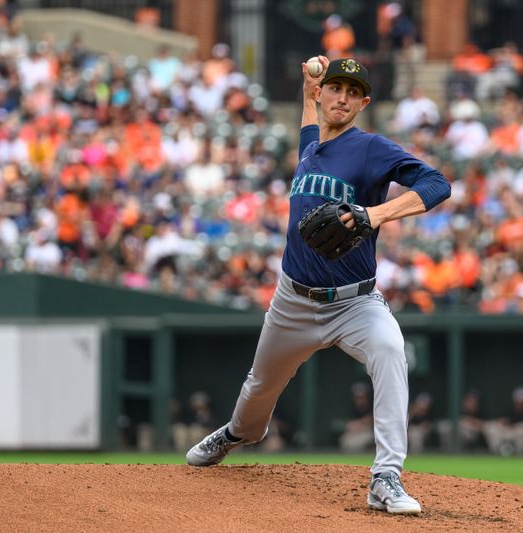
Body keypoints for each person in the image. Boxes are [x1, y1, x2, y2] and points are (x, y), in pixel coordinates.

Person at [185, 56, 451, 516]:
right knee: (258, 388)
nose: (342, 97)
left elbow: (437, 183)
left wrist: (375, 214)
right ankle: (236, 434)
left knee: (391, 353)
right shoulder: (310, 145)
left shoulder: (370, 148)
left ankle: (386, 476)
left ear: (363, 102)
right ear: (323, 94)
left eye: (353, 92)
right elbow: (310, 119)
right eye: (335, 88)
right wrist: (308, 88)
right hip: (293, 300)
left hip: (356, 302)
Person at [483, 386, 523, 456]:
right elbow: (503, 421)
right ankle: (498, 450)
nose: (521, 402)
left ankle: (520, 453)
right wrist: (506, 426)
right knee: (490, 427)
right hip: (508, 431)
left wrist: (517, 426)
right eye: (519, 400)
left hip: (519, 432)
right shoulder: (510, 408)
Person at [339, 381, 375, 452]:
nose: (360, 399)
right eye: (358, 397)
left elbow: (373, 419)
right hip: (356, 433)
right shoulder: (352, 407)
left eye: (362, 397)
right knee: (345, 440)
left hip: (371, 432)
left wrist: (360, 423)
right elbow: (350, 425)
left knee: (366, 440)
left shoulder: (374, 405)